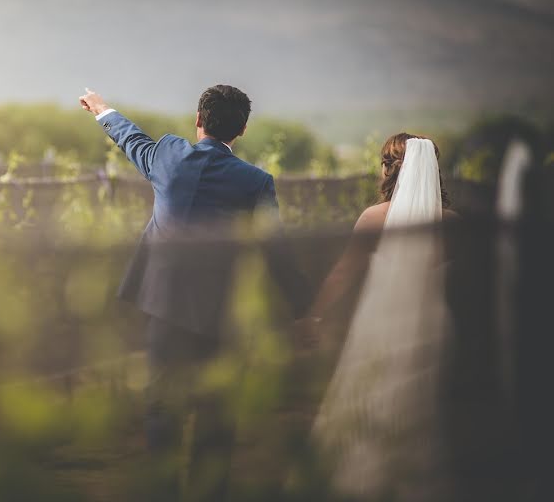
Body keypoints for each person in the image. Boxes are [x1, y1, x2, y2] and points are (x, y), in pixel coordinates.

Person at [79, 85, 278, 501]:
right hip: (220, 314)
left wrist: (102, 109)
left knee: (162, 410)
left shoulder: (168, 156)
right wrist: (297, 310)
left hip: (163, 307)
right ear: (241, 129)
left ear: (198, 120)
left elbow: (130, 138)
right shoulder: (256, 182)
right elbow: (273, 250)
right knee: (216, 416)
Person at [308, 133, 457, 501]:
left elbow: (344, 273)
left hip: (382, 327)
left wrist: (314, 316)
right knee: (424, 407)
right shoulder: (453, 222)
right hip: (435, 324)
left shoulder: (374, 218)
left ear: (391, 170)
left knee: (371, 403)